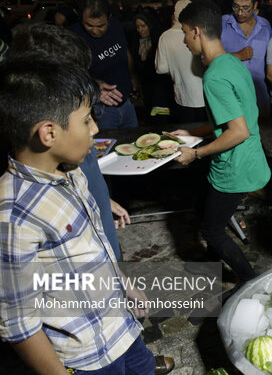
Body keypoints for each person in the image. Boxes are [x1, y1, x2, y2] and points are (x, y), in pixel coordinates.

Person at [0, 55, 174, 375]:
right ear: (48, 133)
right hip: (88, 356)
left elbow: (93, 247)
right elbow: (18, 325)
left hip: (121, 328)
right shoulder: (13, 218)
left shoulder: (71, 170)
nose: (95, 127)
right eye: (85, 120)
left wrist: (124, 284)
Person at [8, 23, 129, 260]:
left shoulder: (69, 125)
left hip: (103, 241)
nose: (94, 129)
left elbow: (82, 178)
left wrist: (103, 200)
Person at [172, 1, 271, 289]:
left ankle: (251, 283)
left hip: (235, 166)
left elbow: (237, 131)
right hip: (248, 158)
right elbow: (230, 118)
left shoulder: (214, 75)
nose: (184, 39)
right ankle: (216, 273)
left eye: (185, 32)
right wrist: (192, 132)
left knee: (212, 230)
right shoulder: (230, 62)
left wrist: (196, 153)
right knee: (212, 217)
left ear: (197, 32)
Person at [70, 0, 138, 129]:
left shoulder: (116, 26)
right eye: (88, 25)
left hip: (126, 102)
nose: (95, 31)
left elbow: (125, 52)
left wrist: (133, 77)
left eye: (101, 25)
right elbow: (70, 73)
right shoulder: (73, 36)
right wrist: (94, 85)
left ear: (109, 18)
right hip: (100, 108)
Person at [221, 0, 272, 117]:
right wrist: (237, 56)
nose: (240, 12)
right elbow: (207, 60)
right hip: (231, 100)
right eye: (236, 7)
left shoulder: (265, 26)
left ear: (255, 5)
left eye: (246, 8)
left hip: (260, 98)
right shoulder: (222, 24)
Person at [156, 0, 207, 123]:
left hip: (183, 98)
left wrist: (176, 69)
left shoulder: (165, 37)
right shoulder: (200, 32)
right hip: (206, 97)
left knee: (186, 136)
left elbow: (161, 69)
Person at [129, 11, 172, 123]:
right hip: (145, 85)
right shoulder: (135, 41)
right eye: (137, 27)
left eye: (143, 26)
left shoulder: (159, 40)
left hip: (160, 85)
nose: (140, 30)